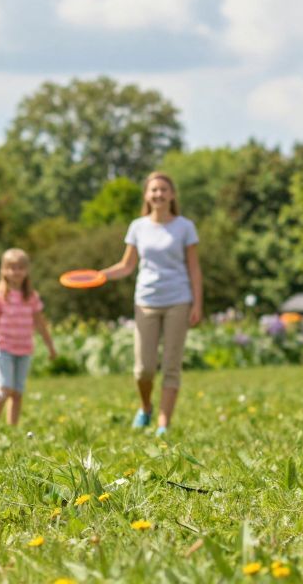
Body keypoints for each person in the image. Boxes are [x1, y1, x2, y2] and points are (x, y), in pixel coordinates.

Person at [99, 172, 202, 436]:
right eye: (153, 190)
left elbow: (194, 268)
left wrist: (197, 304)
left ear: (172, 195)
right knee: (143, 370)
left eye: (164, 189)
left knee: (171, 366)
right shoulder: (138, 227)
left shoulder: (185, 227)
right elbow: (126, 266)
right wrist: (101, 275)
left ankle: (163, 425)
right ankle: (145, 407)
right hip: (146, 301)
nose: (159, 194)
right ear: (146, 195)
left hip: (178, 300)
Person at [0, 247, 58, 427]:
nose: (16, 272)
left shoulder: (31, 297)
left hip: (24, 349)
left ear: (27, 270)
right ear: (3, 270)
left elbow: (40, 323)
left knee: (17, 392)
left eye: (20, 268)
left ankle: (12, 427)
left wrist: (50, 347)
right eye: (11, 268)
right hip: (3, 348)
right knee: (4, 389)